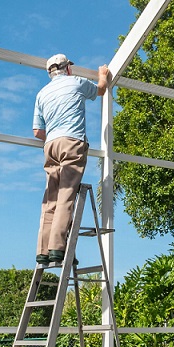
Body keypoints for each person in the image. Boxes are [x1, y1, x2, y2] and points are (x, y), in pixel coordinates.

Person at [33, 53, 110, 264]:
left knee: (51, 198)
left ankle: (43, 250)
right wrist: (102, 75)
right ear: (67, 68)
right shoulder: (76, 83)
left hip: (50, 145)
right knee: (66, 195)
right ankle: (58, 248)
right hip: (72, 142)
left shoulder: (42, 94)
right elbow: (101, 89)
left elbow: (37, 131)